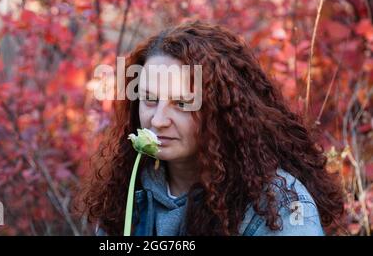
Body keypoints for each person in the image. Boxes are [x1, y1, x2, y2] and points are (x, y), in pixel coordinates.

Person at [78, 20, 344, 236]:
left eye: (182, 103)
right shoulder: (128, 187)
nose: (158, 120)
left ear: (223, 110)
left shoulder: (279, 205)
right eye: (149, 99)